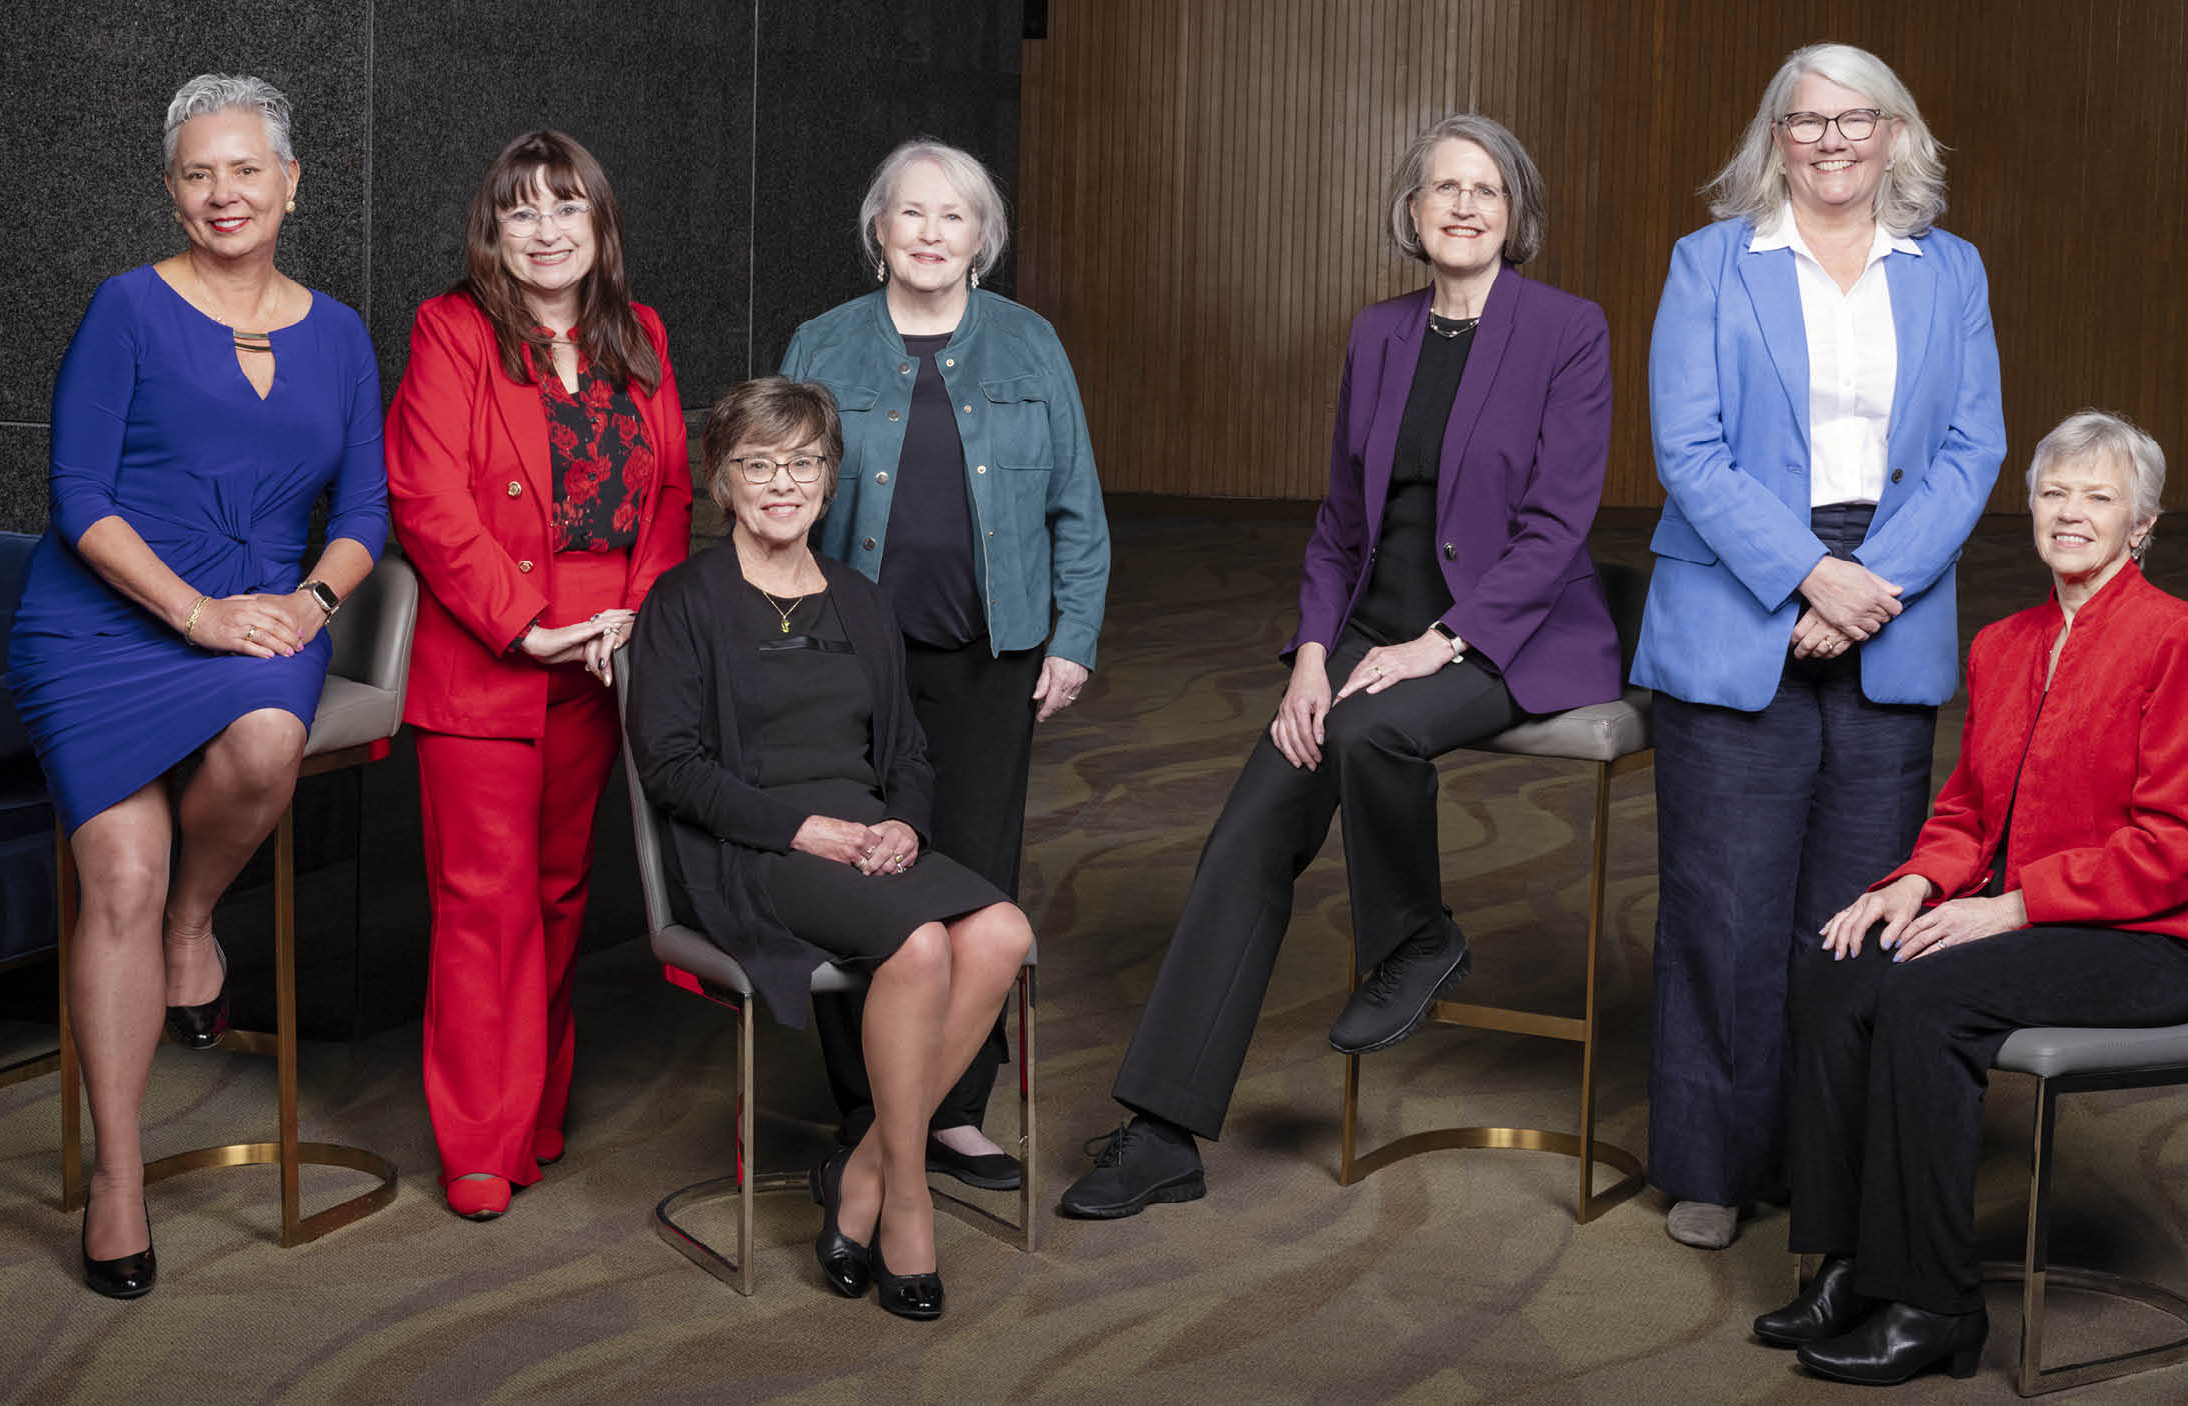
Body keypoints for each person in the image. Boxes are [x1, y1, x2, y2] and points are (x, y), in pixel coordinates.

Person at [1058, 112, 1619, 1219]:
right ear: (1409, 212)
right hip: (1372, 634)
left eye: (1487, 191)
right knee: (1254, 822)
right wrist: (1312, 655)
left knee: (1375, 729)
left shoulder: (1567, 330)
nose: (1463, 206)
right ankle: (1163, 1129)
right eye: (1442, 188)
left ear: (1517, 217)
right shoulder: (1378, 334)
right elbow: (1339, 525)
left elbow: (1556, 529)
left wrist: (1435, 642)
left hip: (1509, 633)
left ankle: (1419, 935)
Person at [1757, 411, 2188, 1385]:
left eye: (2098, 497)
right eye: (2054, 492)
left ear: (2140, 523)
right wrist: (1914, 882)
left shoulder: (2185, 640)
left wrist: (2010, 906)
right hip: (2031, 917)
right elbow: (1969, 809)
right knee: (1839, 960)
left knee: (1930, 997)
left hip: (2151, 937)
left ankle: (1933, 1302)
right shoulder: (2005, 642)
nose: (2071, 513)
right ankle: (1850, 1259)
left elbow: (2175, 846)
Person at [8, 74, 389, 1298]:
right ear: (171, 190)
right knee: (116, 866)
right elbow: (77, 501)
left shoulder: (340, 333)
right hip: (108, 624)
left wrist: (311, 605)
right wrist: (193, 612)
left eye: (245, 170)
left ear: (291, 184)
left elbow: (367, 512)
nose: (222, 193)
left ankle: (193, 924)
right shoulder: (124, 309)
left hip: (266, 613)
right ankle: (119, 1176)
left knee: (270, 743)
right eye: (196, 173)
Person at [1634, 42, 2005, 1249]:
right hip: (1746, 592)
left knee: (1856, 911)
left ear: (1896, 134)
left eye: (1858, 120)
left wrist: (1869, 583)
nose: (1832, 141)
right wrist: (1806, 573)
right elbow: (1686, 451)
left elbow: (1972, 449)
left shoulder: (1948, 272)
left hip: (1890, 593)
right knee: (1722, 906)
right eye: (1807, 121)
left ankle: (1827, 1161)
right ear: (1774, 136)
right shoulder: (1710, 264)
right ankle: (1712, 1160)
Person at [626, 377, 1034, 1321]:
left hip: (867, 842)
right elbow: (673, 767)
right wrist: (802, 830)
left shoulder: (857, 595)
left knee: (1002, 932)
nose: (782, 484)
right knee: (925, 944)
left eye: (802, 464)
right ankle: (909, 1200)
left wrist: (905, 825)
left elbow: (906, 755)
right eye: (758, 465)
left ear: (830, 479)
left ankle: (861, 1174)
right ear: (723, 484)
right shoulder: (684, 601)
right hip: (757, 847)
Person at [779, 138, 1109, 1190]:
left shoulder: (1029, 344)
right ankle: (866, 1107)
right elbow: (771, 501)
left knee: (969, 876)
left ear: (981, 238)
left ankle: (957, 1106)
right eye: (910, 213)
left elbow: (1077, 509)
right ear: (879, 230)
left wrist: (1072, 635)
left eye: (952, 216)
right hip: (846, 659)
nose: (929, 232)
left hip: (988, 658)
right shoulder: (822, 344)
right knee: (858, 870)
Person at [385, 131, 692, 1221]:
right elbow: (426, 498)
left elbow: (669, 494)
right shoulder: (451, 330)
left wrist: (638, 615)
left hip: (601, 658)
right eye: (522, 211)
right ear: (493, 232)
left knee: (562, 892)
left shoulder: (639, 333)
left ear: (601, 227)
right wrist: (526, 627)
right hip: (489, 658)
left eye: (569, 207)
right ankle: (479, 1137)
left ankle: (534, 1102)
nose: (548, 229)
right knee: (483, 901)